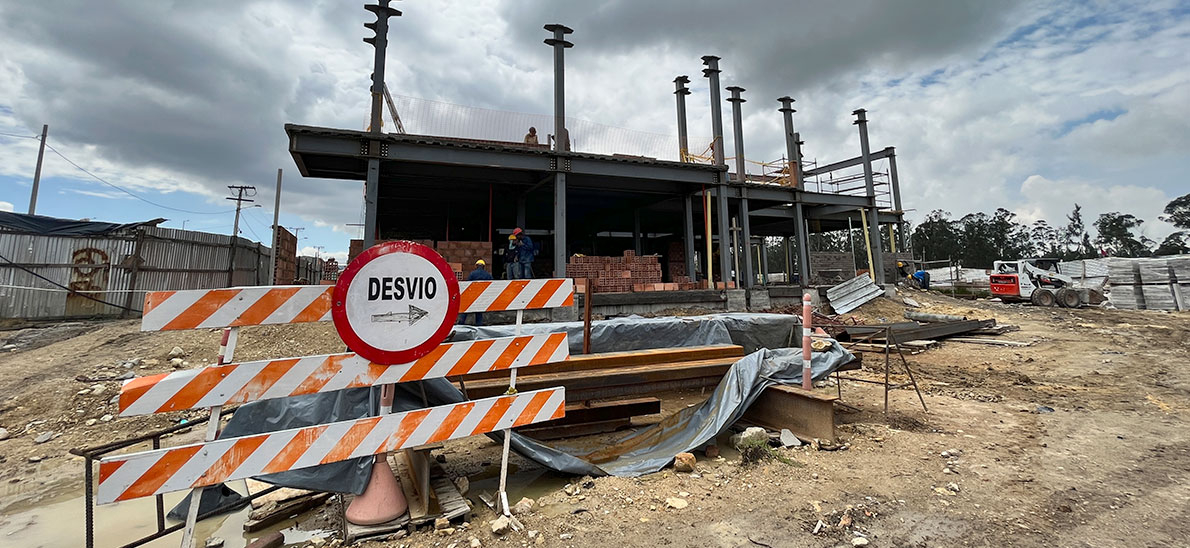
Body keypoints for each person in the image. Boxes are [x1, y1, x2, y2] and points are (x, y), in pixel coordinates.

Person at [459, 260, 494, 325]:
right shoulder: (487, 274)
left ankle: (461, 323)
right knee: (479, 310)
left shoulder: (472, 273)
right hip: (481, 296)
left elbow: (468, 284)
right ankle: (479, 324)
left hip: (472, 295)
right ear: (484, 266)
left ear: (476, 266)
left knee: (466, 309)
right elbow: (492, 283)